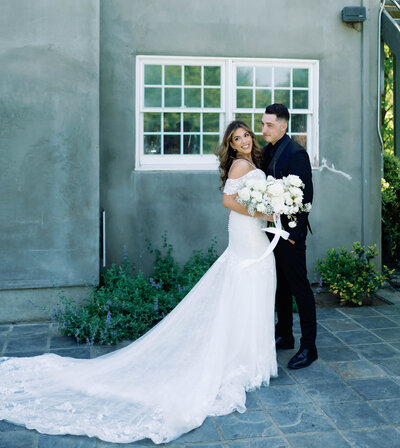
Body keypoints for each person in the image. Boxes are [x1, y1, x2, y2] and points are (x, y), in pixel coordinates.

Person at [0, 120, 277, 445]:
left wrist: (266, 211)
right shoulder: (240, 166)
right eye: (236, 138)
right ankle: (243, 359)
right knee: (248, 285)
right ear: (230, 145)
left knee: (250, 289)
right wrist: (263, 214)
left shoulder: (251, 163)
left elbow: (241, 204)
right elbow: (228, 204)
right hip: (248, 234)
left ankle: (247, 354)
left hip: (251, 233)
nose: (243, 140)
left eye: (245, 135)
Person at [261, 103, 317, 369]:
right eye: (262, 124)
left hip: (290, 233)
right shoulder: (267, 150)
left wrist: (294, 234)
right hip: (271, 229)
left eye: (269, 125)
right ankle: (284, 334)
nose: (264, 129)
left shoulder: (296, 153)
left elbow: (306, 196)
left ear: (284, 126)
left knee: (299, 288)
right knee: (279, 285)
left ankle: (309, 347)